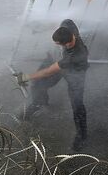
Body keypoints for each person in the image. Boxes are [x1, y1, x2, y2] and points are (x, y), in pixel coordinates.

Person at [15, 19, 88, 151]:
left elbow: (48, 72)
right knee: (38, 84)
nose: (55, 45)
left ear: (67, 44)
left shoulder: (75, 55)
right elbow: (59, 21)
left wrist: (26, 77)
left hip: (74, 73)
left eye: (58, 44)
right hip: (55, 60)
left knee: (77, 105)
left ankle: (82, 136)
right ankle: (39, 102)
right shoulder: (68, 26)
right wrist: (42, 27)